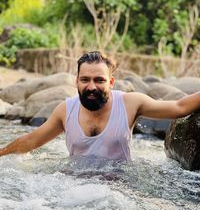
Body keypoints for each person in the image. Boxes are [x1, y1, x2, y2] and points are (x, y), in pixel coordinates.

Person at [0, 51, 200, 160]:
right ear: (76, 81)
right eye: (85, 80)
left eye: (99, 80)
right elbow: (29, 141)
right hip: (72, 188)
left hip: (119, 189)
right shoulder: (65, 110)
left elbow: (179, 107)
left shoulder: (130, 103)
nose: (92, 87)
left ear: (111, 82)